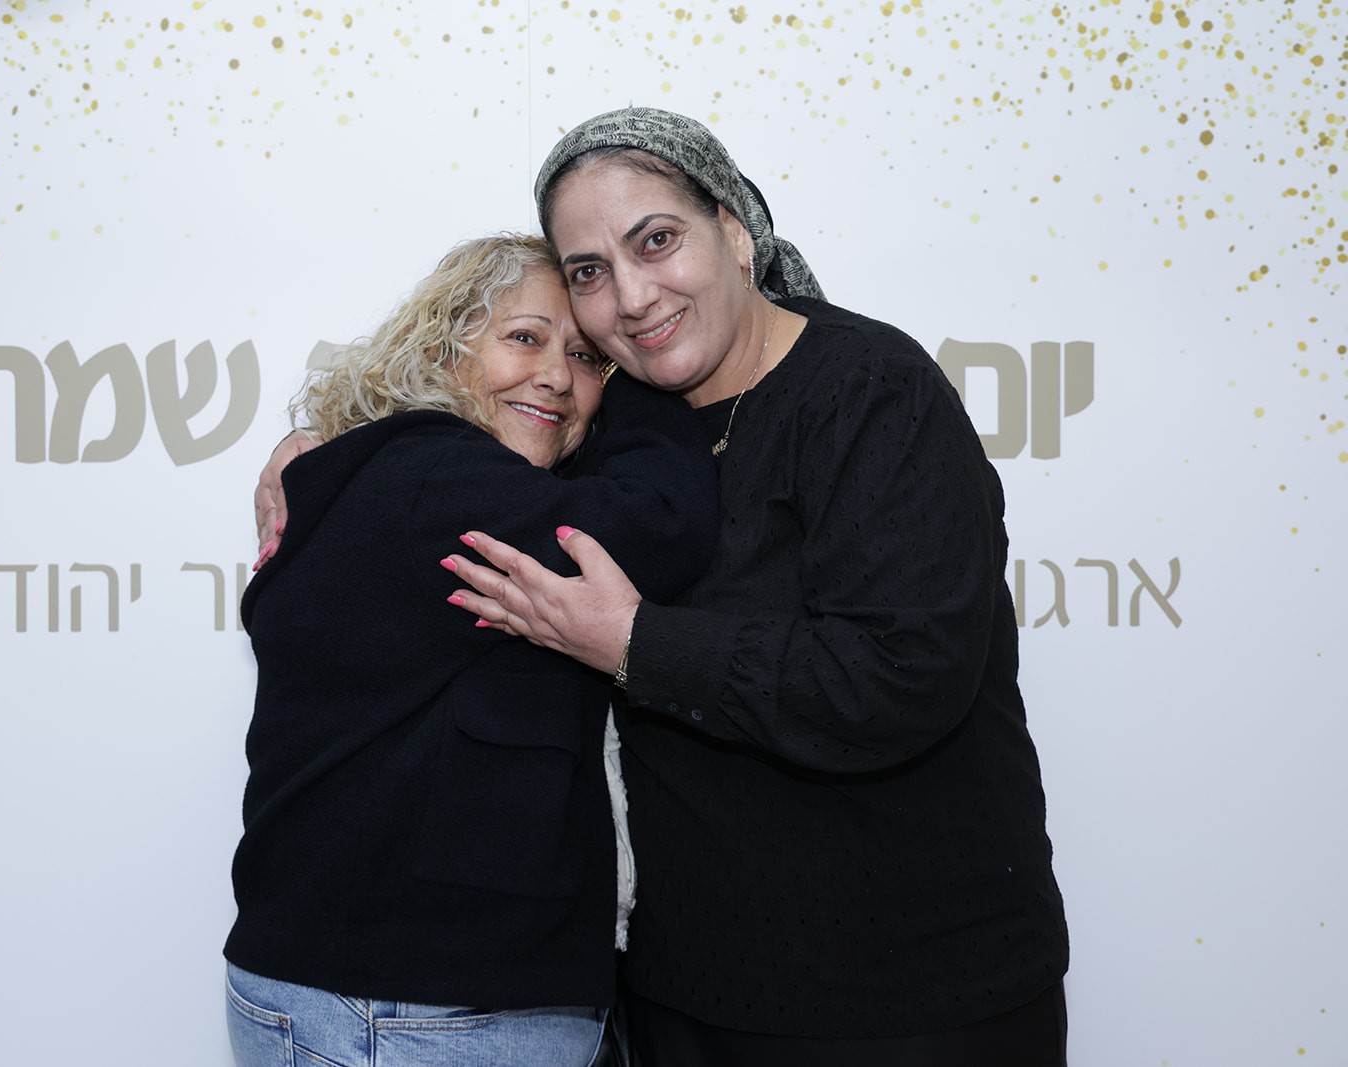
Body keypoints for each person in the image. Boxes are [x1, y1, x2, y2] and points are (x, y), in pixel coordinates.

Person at [259, 108, 1070, 1064]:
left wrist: (635, 643)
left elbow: (901, 675)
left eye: (656, 240)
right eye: (590, 271)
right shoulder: (601, 419)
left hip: (904, 998)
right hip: (681, 994)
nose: (633, 294)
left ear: (735, 231)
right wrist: (323, 441)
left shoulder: (869, 390)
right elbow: (464, 437)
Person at [227, 233, 718, 1067]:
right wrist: (654, 368)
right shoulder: (434, 479)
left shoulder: (394, 474)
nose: (557, 376)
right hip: (405, 1014)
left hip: (383, 998)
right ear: (440, 349)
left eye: (586, 358)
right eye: (525, 338)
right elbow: (660, 523)